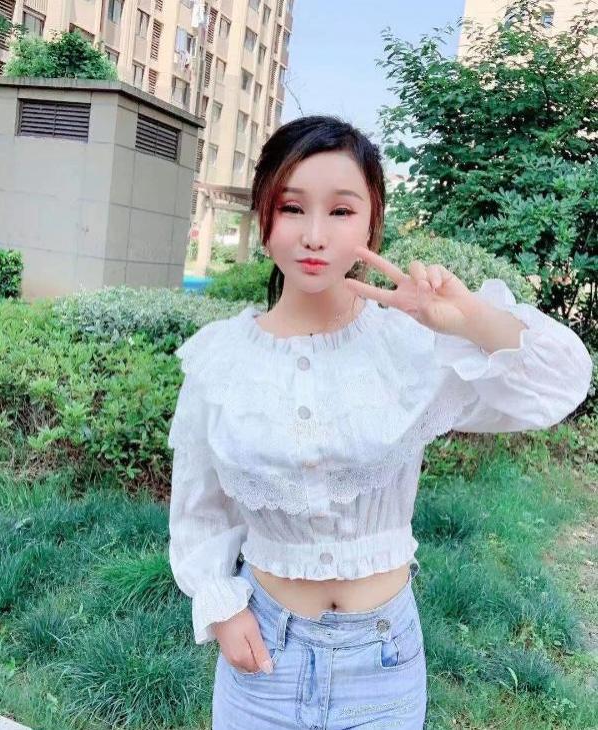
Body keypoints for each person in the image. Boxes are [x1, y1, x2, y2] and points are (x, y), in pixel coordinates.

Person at [167, 115, 593, 729]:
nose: (315, 235)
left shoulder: (406, 348)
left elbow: (560, 384)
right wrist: (222, 606)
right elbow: (199, 505)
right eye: (292, 208)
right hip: (262, 661)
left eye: (341, 211)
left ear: (371, 223)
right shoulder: (220, 360)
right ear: (264, 220)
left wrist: (465, 316)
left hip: (385, 664)